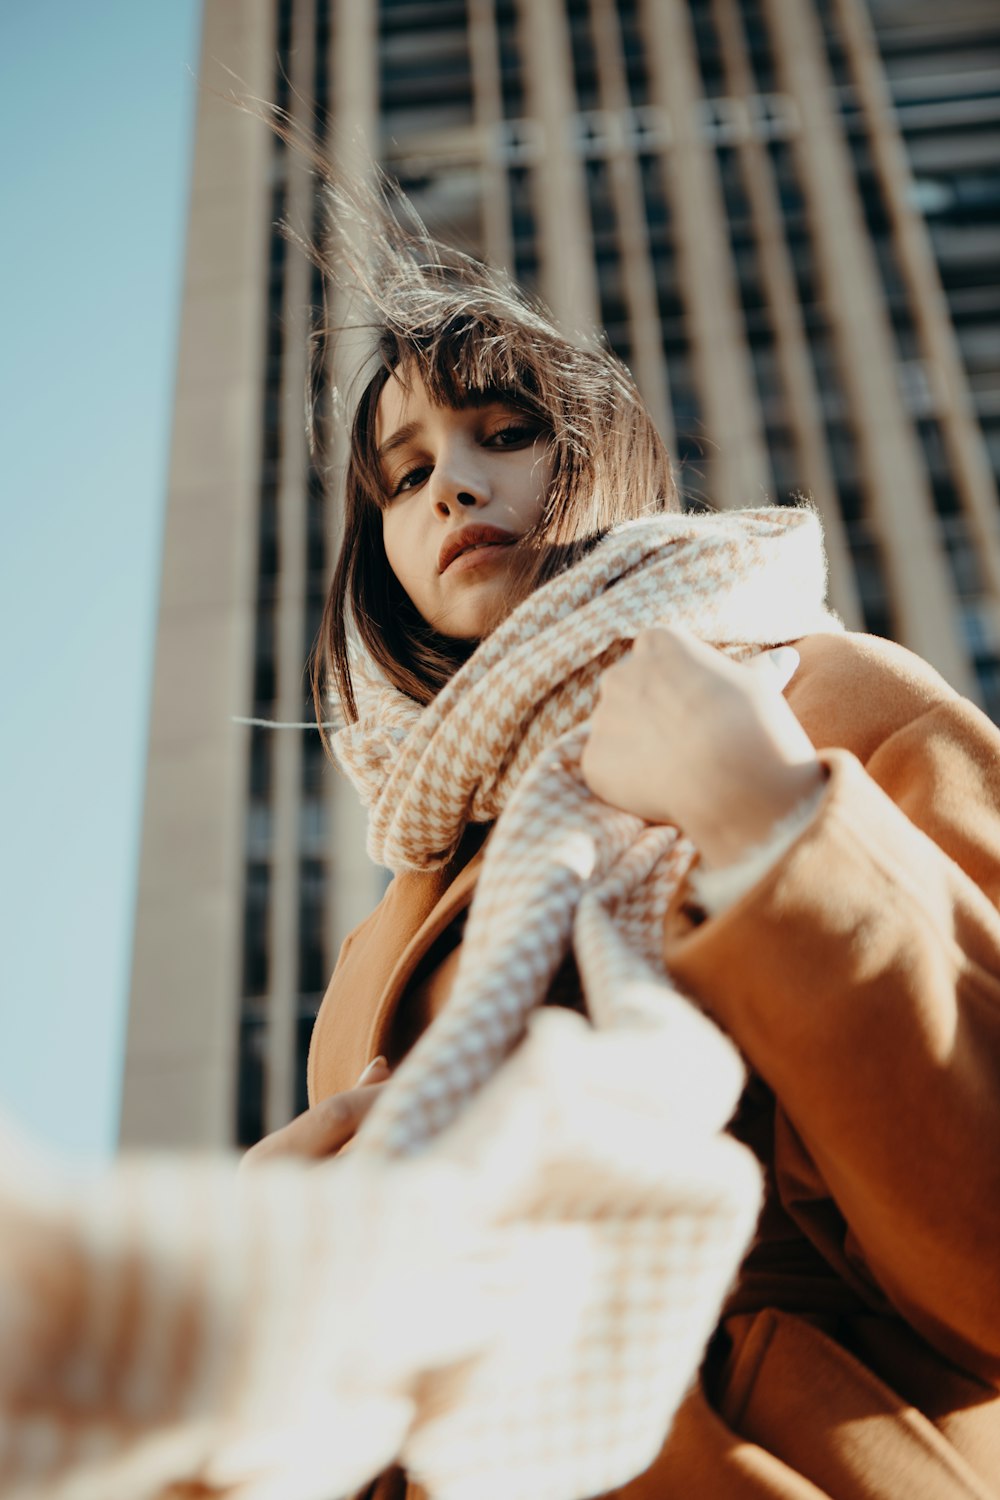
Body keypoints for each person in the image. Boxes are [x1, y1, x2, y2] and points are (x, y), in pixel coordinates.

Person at [244, 163, 1000, 1500]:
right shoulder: (384, 937)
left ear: (602, 452)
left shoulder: (821, 695)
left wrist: (777, 830)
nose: (448, 489)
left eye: (500, 434)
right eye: (405, 474)